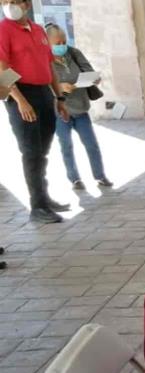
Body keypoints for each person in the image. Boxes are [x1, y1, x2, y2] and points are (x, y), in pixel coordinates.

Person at [0, 0, 72, 223]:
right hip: (21, 93)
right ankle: (37, 207)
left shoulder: (39, 30)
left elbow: (49, 66)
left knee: (43, 149)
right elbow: (2, 68)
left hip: (43, 93)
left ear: (27, 4)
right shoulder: (4, 30)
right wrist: (20, 100)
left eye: (15, 1)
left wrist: (59, 97)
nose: (10, 5)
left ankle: (44, 197)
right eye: (6, 1)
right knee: (31, 151)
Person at [45, 24, 112, 191]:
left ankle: (100, 176)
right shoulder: (43, 59)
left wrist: (93, 78)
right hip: (60, 110)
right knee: (66, 145)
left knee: (91, 144)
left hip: (80, 107)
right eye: (57, 42)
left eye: (64, 41)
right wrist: (60, 86)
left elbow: (88, 71)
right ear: (47, 42)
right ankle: (74, 179)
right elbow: (42, 84)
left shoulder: (73, 53)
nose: (62, 45)